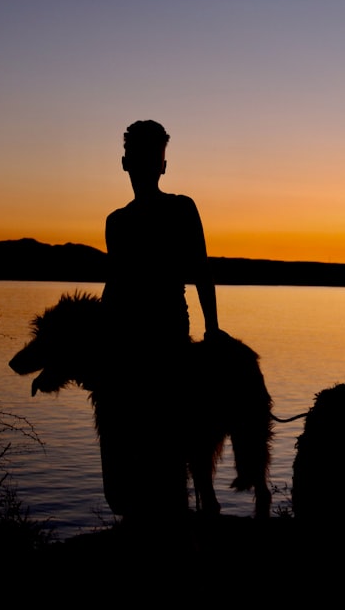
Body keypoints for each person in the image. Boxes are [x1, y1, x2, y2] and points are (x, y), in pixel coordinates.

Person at [97, 119, 223, 523]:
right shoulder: (116, 222)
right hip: (123, 342)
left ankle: (170, 523)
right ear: (125, 163)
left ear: (163, 166)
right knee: (124, 448)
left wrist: (213, 328)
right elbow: (114, 285)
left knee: (164, 448)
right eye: (142, 157)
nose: (149, 165)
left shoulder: (181, 208)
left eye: (155, 157)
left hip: (167, 339)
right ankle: (140, 519)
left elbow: (201, 271)